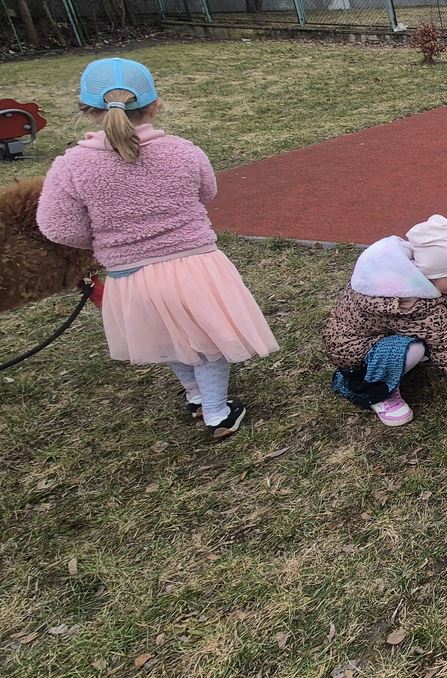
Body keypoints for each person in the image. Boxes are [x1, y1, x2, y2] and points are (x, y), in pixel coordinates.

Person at [36, 57, 276, 437]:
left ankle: (196, 395)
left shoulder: (71, 166)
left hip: (129, 274)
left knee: (167, 337)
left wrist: (102, 239)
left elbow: (57, 226)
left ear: (87, 109)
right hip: (195, 265)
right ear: (155, 105)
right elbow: (207, 191)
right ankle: (216, 411)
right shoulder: (183, 151)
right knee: (209, 340)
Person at [324, 214, 447, 426]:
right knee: (413, 348)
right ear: (430, 273)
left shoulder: (406, 275)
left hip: (367, 335)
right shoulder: (408, 304)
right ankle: (376, 390)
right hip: (356, 356)